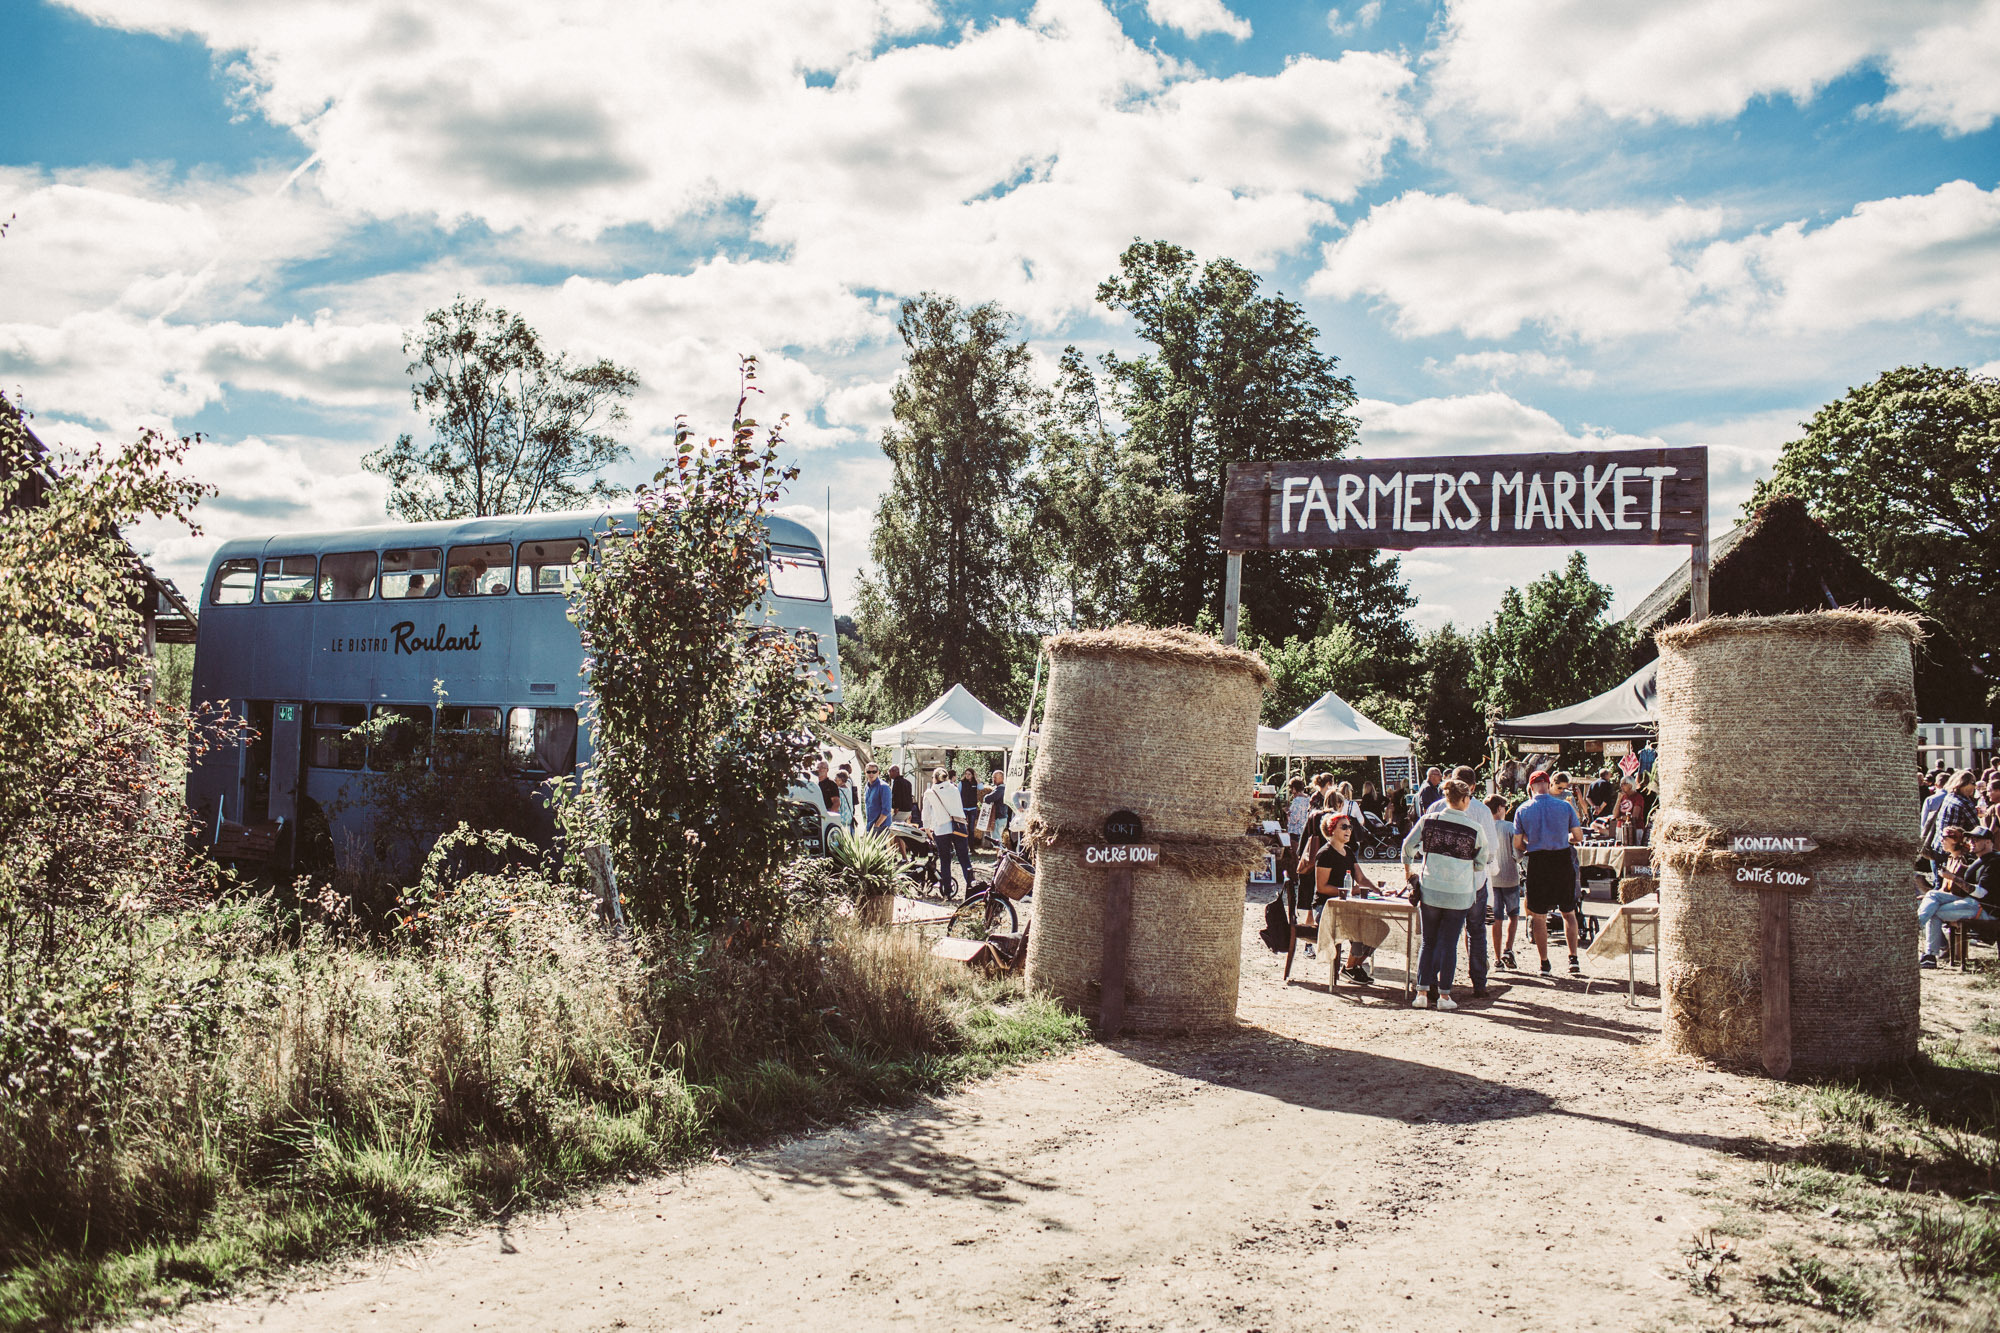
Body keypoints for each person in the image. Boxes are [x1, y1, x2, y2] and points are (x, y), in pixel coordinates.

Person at [1400, 779, 1491, 1011]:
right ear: (1464, 799)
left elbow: (1407, 848)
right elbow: (1482, 861)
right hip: (1459, 893)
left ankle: (1421, 993)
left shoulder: (1429, 821)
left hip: (1431, 889)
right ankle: (1444, 996)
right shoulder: (1474, 828)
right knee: (1449, 944)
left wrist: (1409, 872)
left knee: (1428, 942)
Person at [1425, 765, 1497, 997]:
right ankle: (1479, 981)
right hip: (1473, 881)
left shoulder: (1434, 808)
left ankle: (1433, 981)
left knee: (1438, 933)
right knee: (1476, 931)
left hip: (1438, 880)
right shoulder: (1482, 811)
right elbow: (1491, 850)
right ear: (1473, 787)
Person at [1515, 770, 1585, 977]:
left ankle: (1544, 963)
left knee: (1538, 915)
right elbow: (1578, 836)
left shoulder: (1523, 809)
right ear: (1548, 784)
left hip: (1538, 860)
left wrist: (1534, 843)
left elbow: (1517, 843)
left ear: (1530, 787)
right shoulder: (1565, 806)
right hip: (1562, 858)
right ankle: (1573, 959)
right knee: (1569, 912)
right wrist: (1563, 840)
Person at [1312, 811, 1392, 984]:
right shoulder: (1325, 854)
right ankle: (1350, 968)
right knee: (1359, 925)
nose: (1349, 830)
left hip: (1347, 905)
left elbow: (1361, 879)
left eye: (1350, 826)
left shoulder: (1348, 851)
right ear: (1332, 830)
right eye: (1344, 827)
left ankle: (1353, 966)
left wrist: (1378, 891)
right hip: (1326, 908)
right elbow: (1322, 887)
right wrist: (1348, 891)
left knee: (1381, 927)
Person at [1919, 826, 1998, 968]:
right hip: (1972, 903)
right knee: (1932, 895)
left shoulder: (1994, 862)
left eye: (1976, 839)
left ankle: (1929, 954)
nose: (1971, 842)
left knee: (1934, 911)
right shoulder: (1980, 860)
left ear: (1988, 842)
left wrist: (1953, 878)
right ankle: (1919, 931)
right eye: (1970, 839)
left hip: (1985, 909)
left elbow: (1982, 893)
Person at [921, 767, 972, 899]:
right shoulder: (954, 789)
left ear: (934, 778)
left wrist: (927, 828)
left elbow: (925, 813)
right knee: (964, 859)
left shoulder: (930, 793)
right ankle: (972, 888)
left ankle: (947, 891)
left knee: (945, 860)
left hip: (941, 828)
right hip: (959, 827)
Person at [1486, 795, 1523, 970]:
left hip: (1492, 879)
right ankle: (1509, 948)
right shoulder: (1509, 827)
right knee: (1513, 915)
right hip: (1510, 876)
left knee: (1496, 919)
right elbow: (1517, 853)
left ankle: (1497, 957)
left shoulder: (1484, 827)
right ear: (1500, 808)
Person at [984, 768, 1011, 848]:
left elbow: (988, 798)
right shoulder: (1003, 788)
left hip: (999, 818)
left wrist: (986, 796)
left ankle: (1000, 858)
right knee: (997, 839)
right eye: (993, 777)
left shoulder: (1000, 789)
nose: (993, 779)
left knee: (996, 841)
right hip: (1002, 817)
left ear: (1002, 778)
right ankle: (1000, 858)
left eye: (995, 777)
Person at [863, 762, 892, 834]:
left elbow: (886, 810)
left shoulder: (883, 787)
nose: (871, 774)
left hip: (881, 827)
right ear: (865, 773)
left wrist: (876, 826)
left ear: (878, 772)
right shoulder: (867, 787)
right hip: (870, 825)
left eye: (874, 772)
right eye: (869, 772)